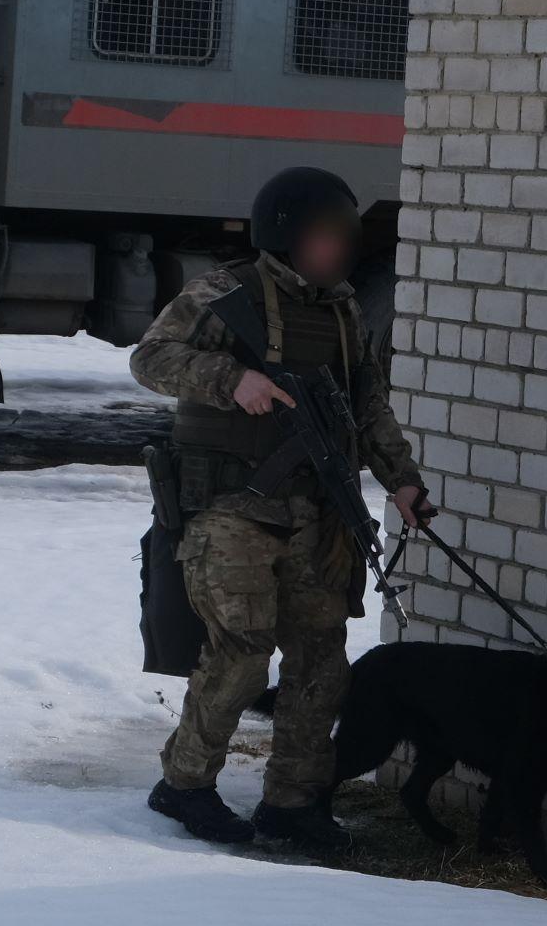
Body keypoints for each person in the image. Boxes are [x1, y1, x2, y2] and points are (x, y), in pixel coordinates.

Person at [131, 167, 425, 851]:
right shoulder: (224, 292)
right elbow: (151, 358)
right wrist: (232, 380)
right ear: (286, 236)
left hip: (314, 514)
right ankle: (184, 783)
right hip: (229, 509)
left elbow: (367, 405)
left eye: (342, 241)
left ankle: (293, 801)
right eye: (323, 239)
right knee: (242, 651)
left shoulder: (344, 311)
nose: (335, 252)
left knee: (322, 659)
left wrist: (403, 481)